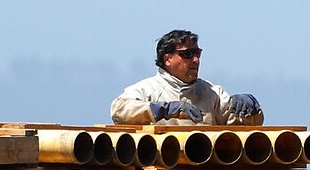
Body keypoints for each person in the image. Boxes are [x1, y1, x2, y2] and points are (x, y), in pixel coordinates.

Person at [111, 29, 263, 125]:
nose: (195, 60)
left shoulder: (212, 93)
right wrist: (164, 109)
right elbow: (119, 111)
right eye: (187, 54)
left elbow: (243, 124)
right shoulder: (148, 90)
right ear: (167, 59)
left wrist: (251, 109)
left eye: (197, 54)